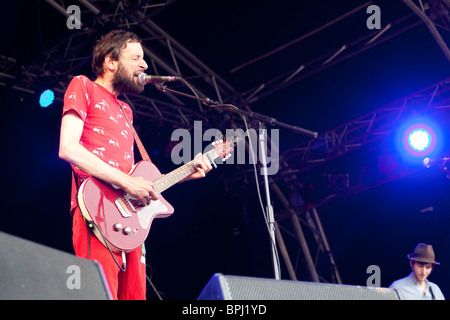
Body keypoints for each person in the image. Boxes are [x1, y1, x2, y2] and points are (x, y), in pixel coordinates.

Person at [59, 29, 212, 300]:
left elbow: (139, 179)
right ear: (111, 62)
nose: (145, 65)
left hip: (129, 220)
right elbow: (68, 148)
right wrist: (128, 182)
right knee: (100, 294)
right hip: (96, 211)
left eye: (144, 59)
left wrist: (188, 173)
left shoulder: (125, 110)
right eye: (136, 58)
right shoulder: (83, 85)